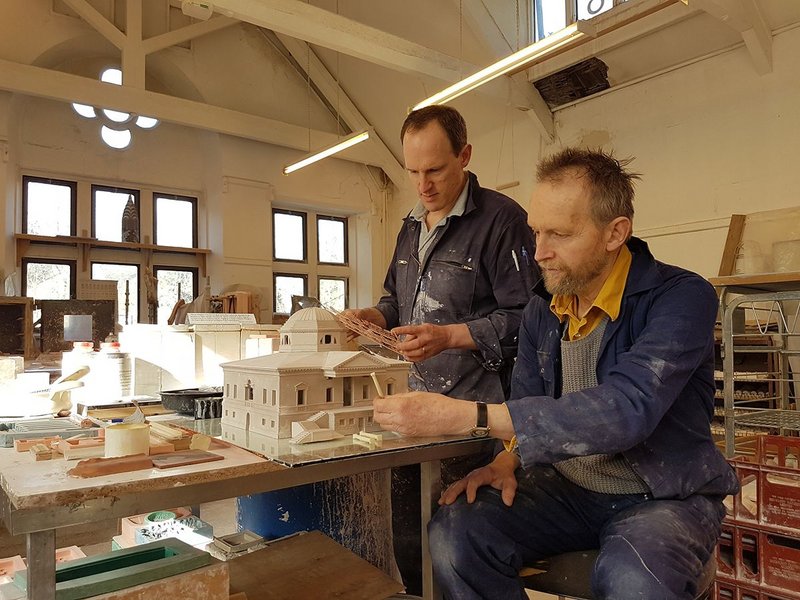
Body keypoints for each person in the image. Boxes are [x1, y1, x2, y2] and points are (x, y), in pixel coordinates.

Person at [373, 147, 740, 600]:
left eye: (560, 235)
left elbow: (628, 409)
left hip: (663, 494)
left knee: (634, 578)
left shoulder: (682, 297)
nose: (540, 253)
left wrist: (467, 416)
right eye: (536, 232)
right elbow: (528, 399)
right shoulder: (542, 309)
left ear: (615, 233)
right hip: (571, 488)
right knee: (456, 533)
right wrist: (505, 461)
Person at [345, 105, 537, 595]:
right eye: (412, 172)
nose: (423, 184)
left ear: (465, 156)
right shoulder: (411, 226)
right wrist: (376, 317)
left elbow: (530, 320)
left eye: (435, 170)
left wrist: (450, 335)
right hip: (416, 410)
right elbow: (397, 299)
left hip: (475, 419)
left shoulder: (501, 221)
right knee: (405, 533)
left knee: (455, 543)